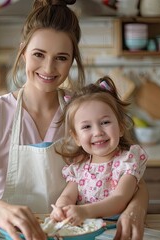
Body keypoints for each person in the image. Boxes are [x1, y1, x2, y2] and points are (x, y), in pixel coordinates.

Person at [0, 0, 148, 239]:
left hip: (77, 234)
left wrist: (135, 208)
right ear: (23, 52)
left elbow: (130, 175)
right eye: (39, 54)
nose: (48, 68)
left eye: (61, 57)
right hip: (12, 235)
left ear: (72, 61)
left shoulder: (83, 114)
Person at [50, 76, 148, 227]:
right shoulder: (79, 167)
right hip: (86, 231)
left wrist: (84, 212)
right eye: (86, 127)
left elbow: (119, 199)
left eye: (105, 122)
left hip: (118, 230)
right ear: (76, 137)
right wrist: (61, 209)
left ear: (121, 127)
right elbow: (68, 196)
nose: (97, 132)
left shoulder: (127, 161)